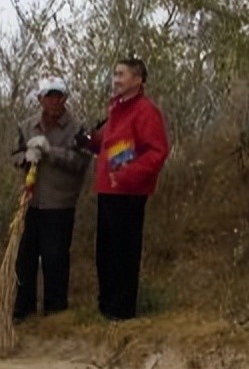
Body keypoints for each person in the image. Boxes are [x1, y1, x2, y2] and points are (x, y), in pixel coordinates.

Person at [83, 59, 171, 321]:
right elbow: (115, 147)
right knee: (105, 252)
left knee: (124, 253)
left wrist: (126, 175)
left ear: (138, 79)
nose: (116, 79)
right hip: (108, 191)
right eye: (115, 74)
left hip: (129, 193)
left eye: (121, 74)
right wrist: (89, 142)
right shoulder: (117, 109)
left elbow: (157, 152)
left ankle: (121, 312)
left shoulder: (145, 111)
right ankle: (106, 307)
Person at [10, 77, 93, 321]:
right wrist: (26, 156)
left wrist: (51, 151)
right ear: (40, 99)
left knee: (55, 258)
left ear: (65, 98)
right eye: (50, 96)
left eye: (59, 96)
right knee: (24, 258)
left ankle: (55, 313)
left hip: (60, 204)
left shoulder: (78, 129)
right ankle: (22, 310)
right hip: (31, 202)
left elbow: (80, 161)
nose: (55, 101)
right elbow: (13, 156)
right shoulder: (27, 126)